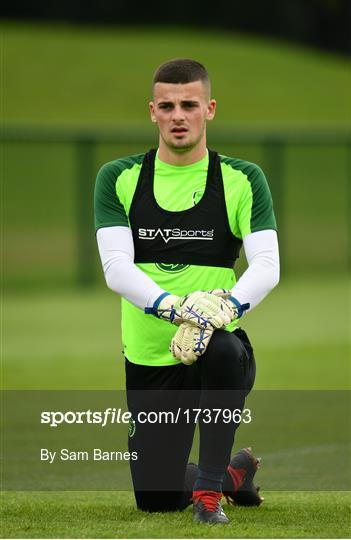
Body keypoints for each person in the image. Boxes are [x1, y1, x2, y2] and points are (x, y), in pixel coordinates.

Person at [94, 58, 279, 525]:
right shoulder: (118, 177)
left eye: (189, 105)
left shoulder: (242, 179)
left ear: (209, 109)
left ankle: (210, 495)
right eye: (168, 106)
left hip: (215, 348)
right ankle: (235, 476)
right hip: (150, 355)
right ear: (152, 111)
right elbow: (116, 268)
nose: (179, 115)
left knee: (222, 350)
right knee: (155, 497)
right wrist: (175, 308)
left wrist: (224, 307)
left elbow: (267, 265)